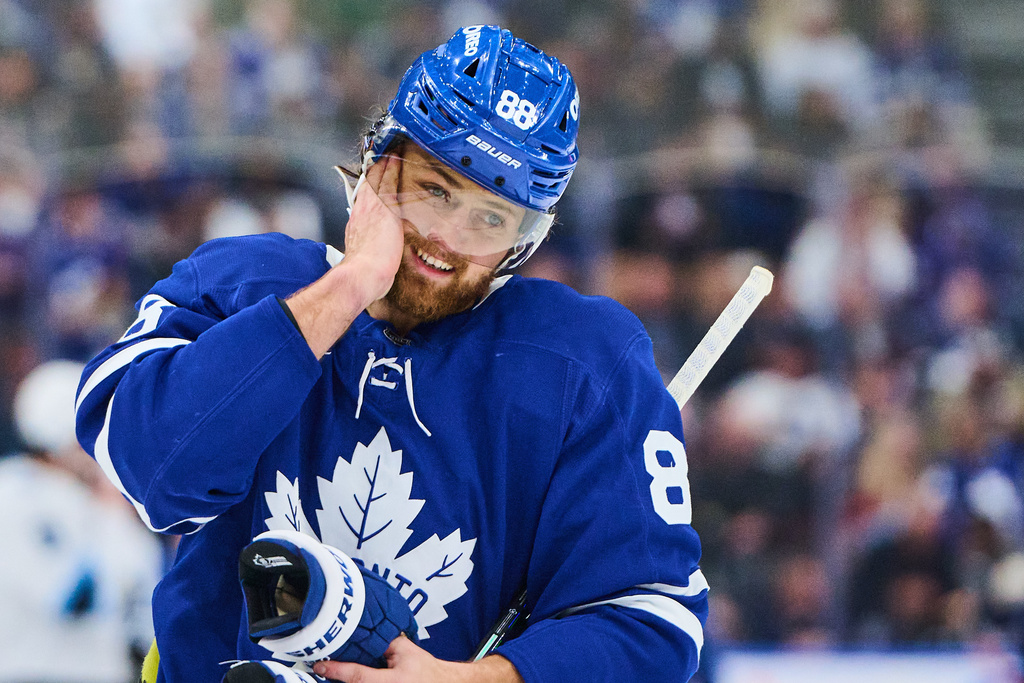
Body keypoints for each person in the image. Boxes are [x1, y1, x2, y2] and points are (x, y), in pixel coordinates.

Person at [75, 25, 708, 682]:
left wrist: (473, 679)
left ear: (525, 238)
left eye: (490, 219)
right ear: (379, 160)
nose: (448, 239)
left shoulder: (587, 365)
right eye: (434, 191)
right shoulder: (242, 283)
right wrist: (348, 287)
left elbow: (653, 623)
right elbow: (150, 470)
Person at [3, 360, 163, 682]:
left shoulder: (86, 495)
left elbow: (145, 599)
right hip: (39, 672)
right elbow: (73, 598)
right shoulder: (17, 494)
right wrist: (112, 517)